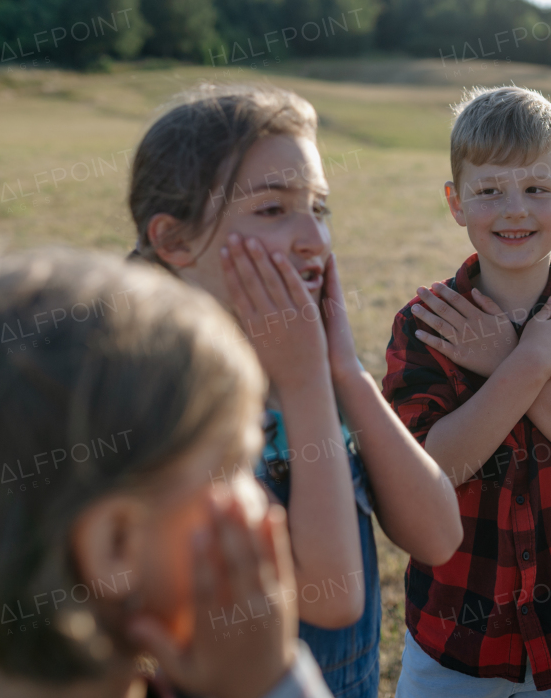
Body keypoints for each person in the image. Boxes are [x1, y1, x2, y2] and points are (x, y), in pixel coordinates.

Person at [0, 248, 332, 698]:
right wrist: (269, 686)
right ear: (115, 545)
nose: (264, 504)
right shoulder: (247, 684)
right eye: (235, 467)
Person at [127, 84, 462, 698]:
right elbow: (332, 599)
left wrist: (343, 371)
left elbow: (439, 536)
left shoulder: (312, 373)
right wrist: (307, 380)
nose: (315, 239)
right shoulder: (173, 412)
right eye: (273, 209)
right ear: (174, 241)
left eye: (319, 208)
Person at [382, 86, 551, 696]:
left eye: (538, 188)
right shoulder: (428, 322)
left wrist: (511, 361)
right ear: (456, 203)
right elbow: (429, 469)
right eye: (489, 190)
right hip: (455, 631)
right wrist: (529, 363)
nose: (515, 210)